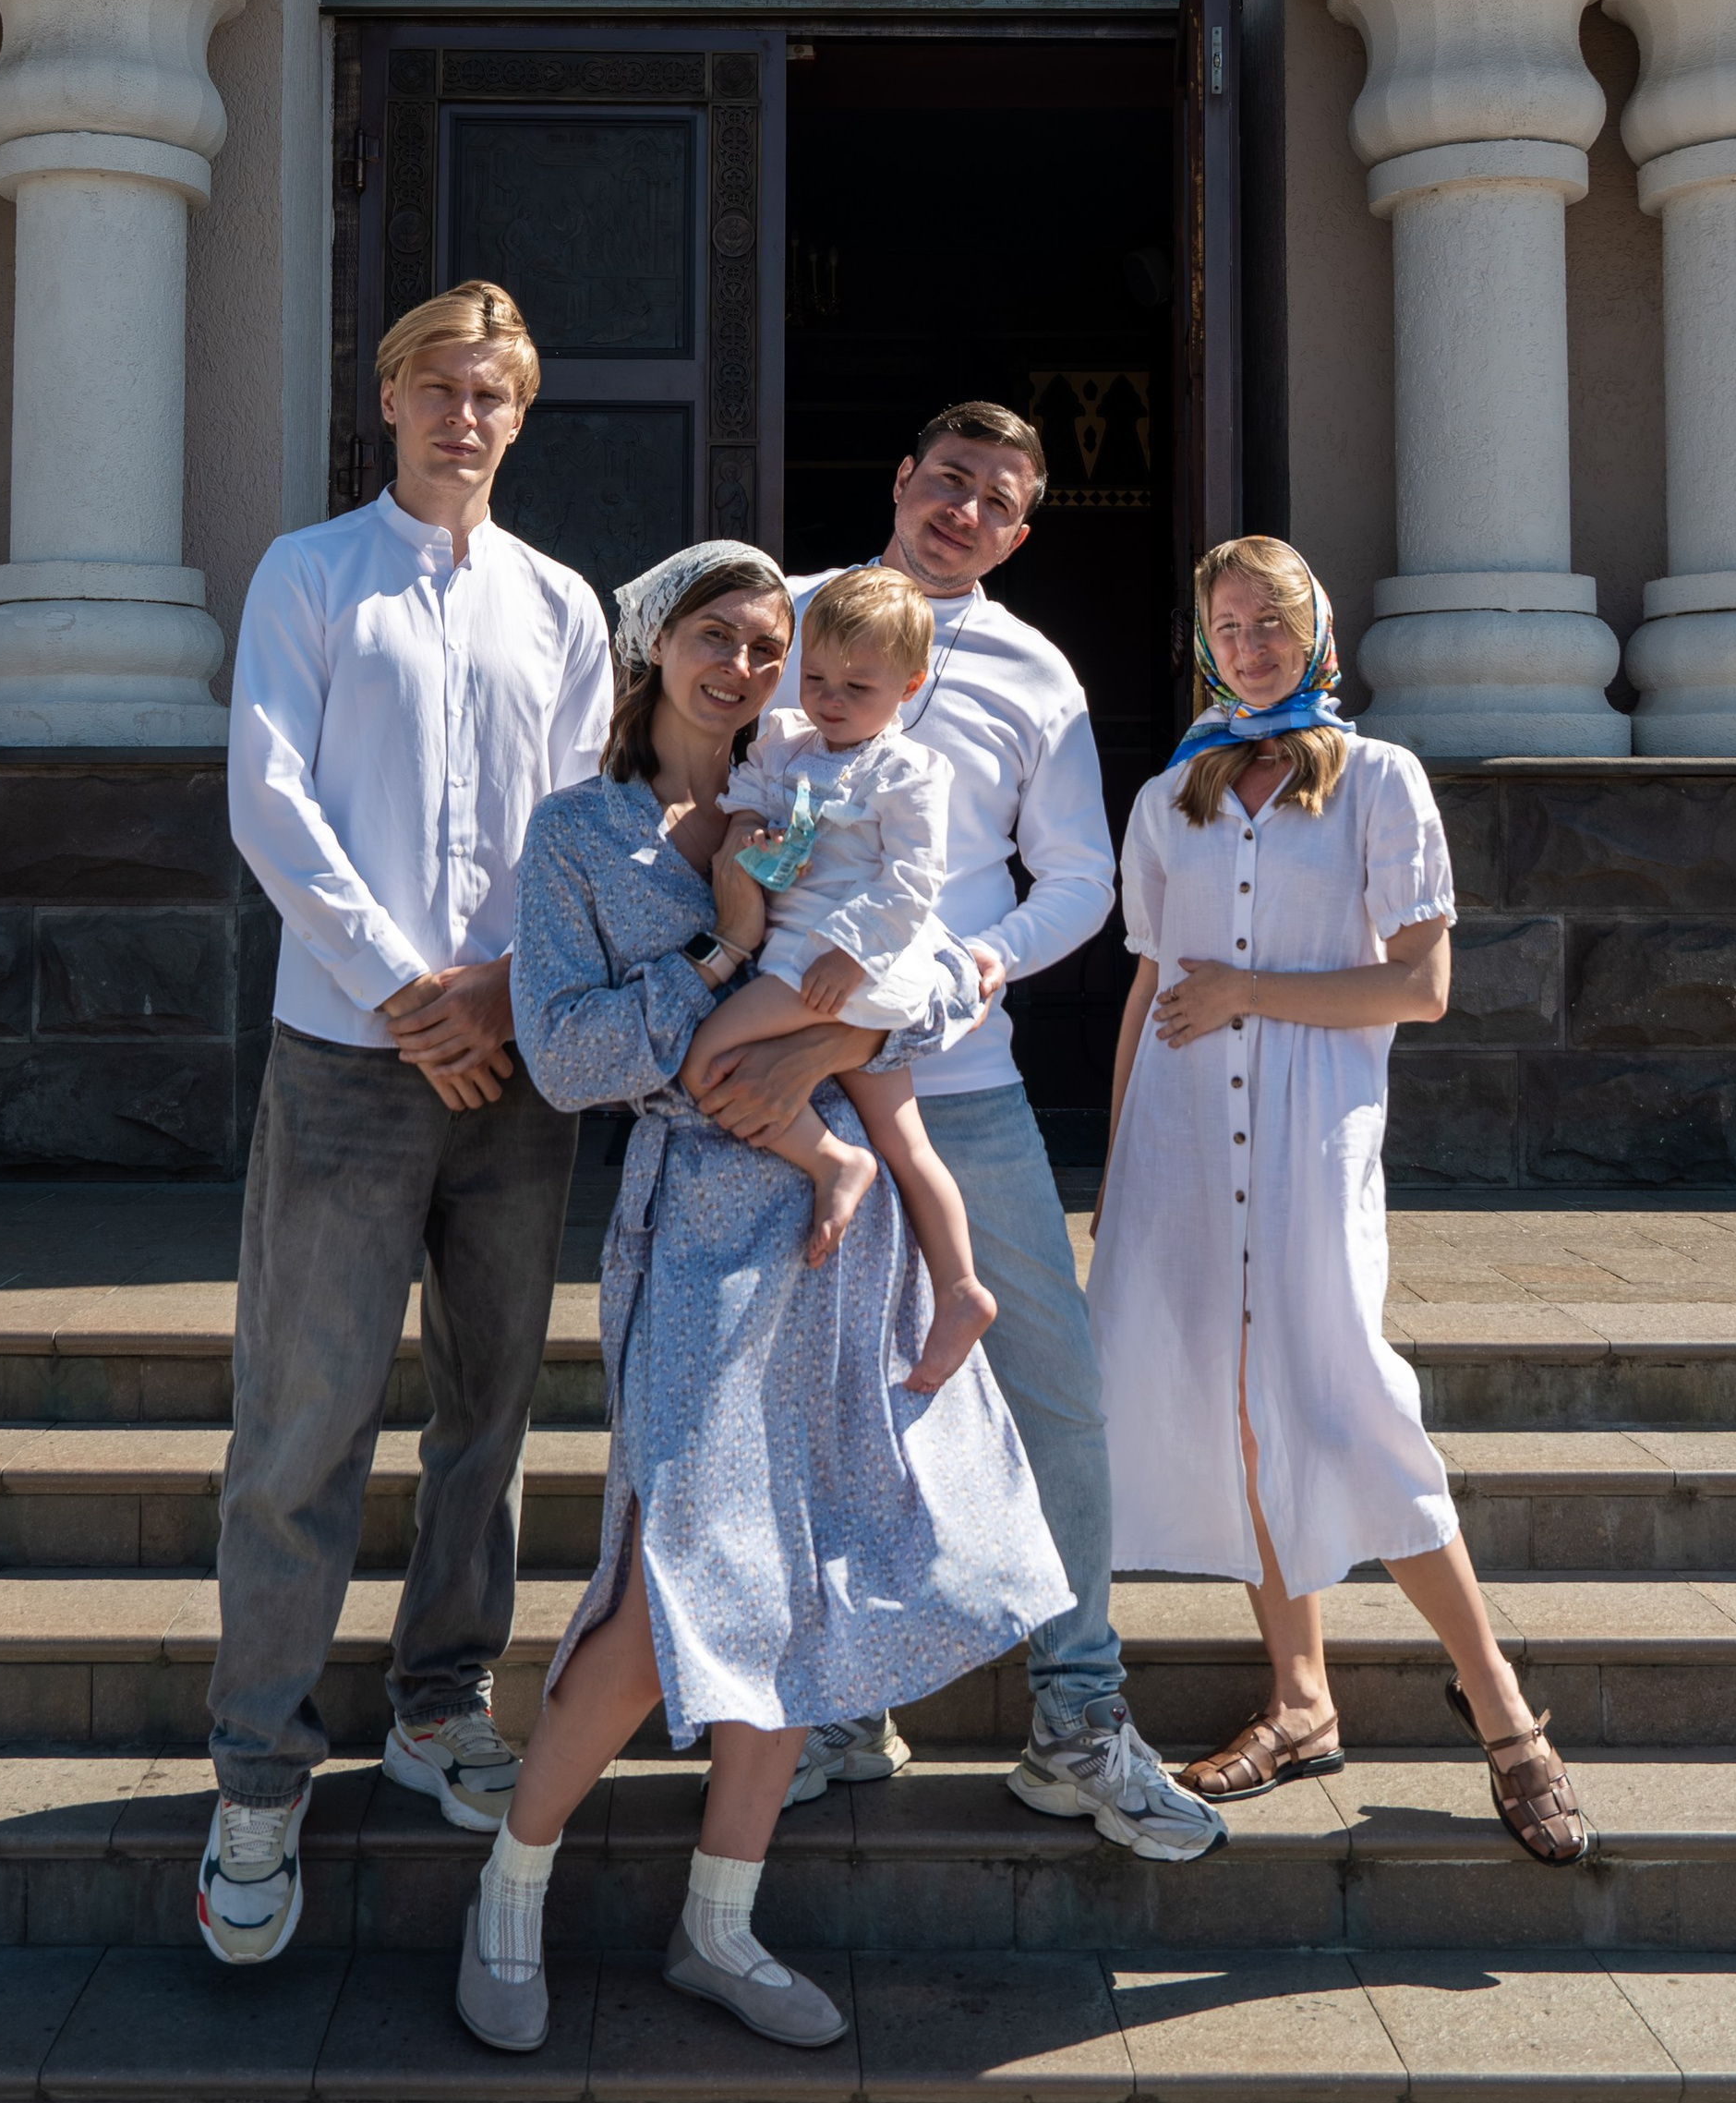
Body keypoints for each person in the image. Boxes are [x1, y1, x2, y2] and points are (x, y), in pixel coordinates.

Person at [469, 540, 1071, 2058]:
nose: (745, 667)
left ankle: (720, 1925)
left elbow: (935, 973)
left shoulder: (827, 777)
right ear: (655, 649)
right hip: (694, 1237)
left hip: (837, 1237)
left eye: (766, 641)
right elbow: (565, 1055)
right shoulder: (579, 836)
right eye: (717, 639)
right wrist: (726, 977)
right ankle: (510, 1890)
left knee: (804, 1581)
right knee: (659, 1580)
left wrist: (808, 1045)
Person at [691, 400, 1220, 1863]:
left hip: (959, 1078)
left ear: (1023, 528)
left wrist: (971, 966)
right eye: (948, 481)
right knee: (808, 1391)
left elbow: (1076, 884)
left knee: (1049, 1385)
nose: (966, 511)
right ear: (901, 481)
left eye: (998, 498)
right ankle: (839, 1710)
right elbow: (698, 797)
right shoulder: (780, 619)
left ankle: (1078, 1714)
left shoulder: (1031, 668)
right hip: (781, 1070)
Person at [198, 282, 613, 1966]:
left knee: (487, 1413)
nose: (465, 415)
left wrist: (503, 995)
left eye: (493, 392)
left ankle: (443, 1704)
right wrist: (403, 992)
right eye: (440, 385)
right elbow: (270, 799)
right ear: (391, 399)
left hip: (515, 1068)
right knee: (301, 1423)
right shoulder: (311, 573)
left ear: (521, 416)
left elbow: (590, 824)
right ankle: (256, 1770)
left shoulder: (561, 603)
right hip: (352, 1062)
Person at [1089, 533, 1589, 1868]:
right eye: (1230, 624)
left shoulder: (1378, 781)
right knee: (1241, 1414)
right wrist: (1123, 1171)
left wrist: (1253, 993)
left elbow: (1419, 986)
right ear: (1207, 644)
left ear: (1318, 635)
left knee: (1351, 1401)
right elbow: (1150, 982)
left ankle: (1502, 1709)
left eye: (1273, 621)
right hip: (1182, 1151)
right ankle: (1301, 1700)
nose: (1251, 644)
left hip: (1314, 1144)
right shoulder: (1172, 797)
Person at [685, 562, 997, 1390]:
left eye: (857, 686)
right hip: (795, 951)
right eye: (817, 677)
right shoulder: (789, 738)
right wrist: (749, 825)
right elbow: (747, 791)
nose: (830, 699)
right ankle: (961, 1286)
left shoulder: (909, 773)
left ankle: (831, 1161)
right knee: (906, 1137)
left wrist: (849, 952)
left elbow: (914, 881)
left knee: (702, 1058)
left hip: (835, 963)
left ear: (910, 684)